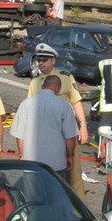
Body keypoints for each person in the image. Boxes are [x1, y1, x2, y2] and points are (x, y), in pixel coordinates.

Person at [27, 43, 89, 199]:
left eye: (44, 60)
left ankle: (79, 208)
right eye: (39, 60)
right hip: (44, 135)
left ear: (53, 61)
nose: (41, 63)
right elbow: (30, 108)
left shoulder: (66, 77)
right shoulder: (35, 82)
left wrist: (83, 126)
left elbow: (76, 102)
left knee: (73, 174)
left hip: (66, 132)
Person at [10, 74, 78, 182]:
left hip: (31, 163)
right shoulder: (64, 105)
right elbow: (70, 136)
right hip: (57, 162)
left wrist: (23, 154)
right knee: (55, 196)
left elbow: (20, 136)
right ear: (57, 88)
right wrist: (70, 156)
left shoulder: (26, 104)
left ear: (43, 86)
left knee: (33, 196)